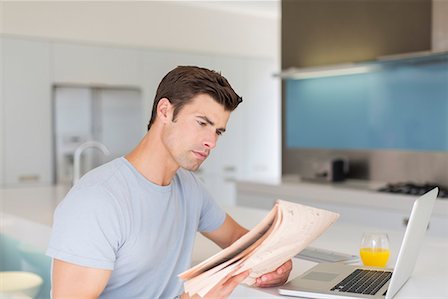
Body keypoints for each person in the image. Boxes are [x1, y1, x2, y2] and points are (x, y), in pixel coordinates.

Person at [46, 66, 292, 298]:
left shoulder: (189, 188)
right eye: (202, 123)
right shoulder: (97, 200)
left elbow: (237, 238)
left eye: (217, 131)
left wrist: (275, 260)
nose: (211, 142)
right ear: (165, 111)